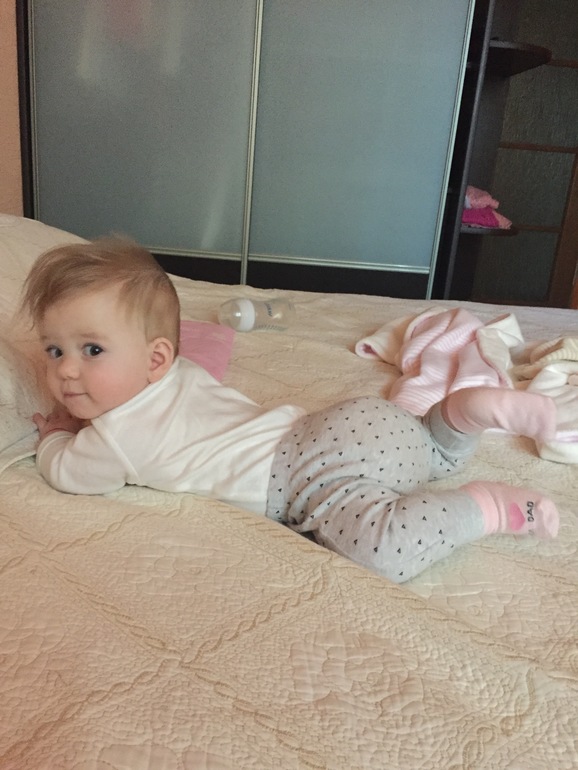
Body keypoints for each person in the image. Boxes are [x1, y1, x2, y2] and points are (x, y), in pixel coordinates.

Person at [20, 238, 569, 583]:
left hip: (305, 478)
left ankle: (487, 508)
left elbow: (67, 472)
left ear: (155, 357)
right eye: (54, 350)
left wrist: (55, 436)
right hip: (349, 423)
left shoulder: (113, 438)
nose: (66, 371)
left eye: (91, 350)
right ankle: (462, 414)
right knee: (428, 455)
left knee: (383, 551)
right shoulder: (180, 371)